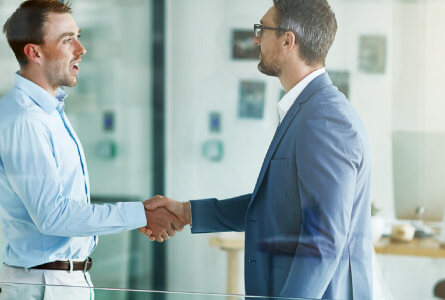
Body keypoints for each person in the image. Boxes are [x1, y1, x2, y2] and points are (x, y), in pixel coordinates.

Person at [141, 0, 373, 299]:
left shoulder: (325, 119)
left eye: (263, 29)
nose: (255, 38)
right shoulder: (306, 110)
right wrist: (187, 212)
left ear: (288, 41)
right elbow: (275, 205)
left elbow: (323, 241)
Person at [0, 1, 182, 299]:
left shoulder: (49, 113)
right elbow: (53, 215)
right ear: (34, 52)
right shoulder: (24, 120)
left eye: (78, 36)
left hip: (62, 280)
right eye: (67, 40)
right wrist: (141, 214)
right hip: (42, 286)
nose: (81, 48)